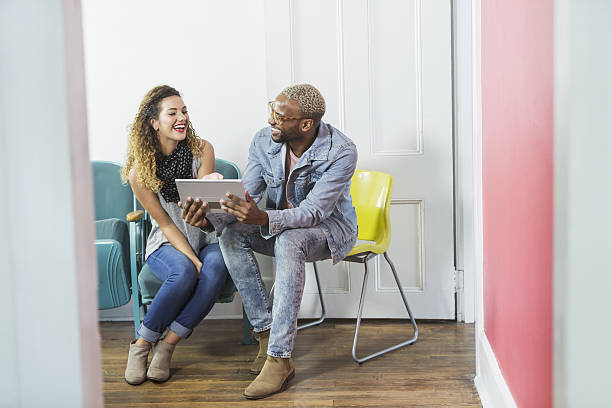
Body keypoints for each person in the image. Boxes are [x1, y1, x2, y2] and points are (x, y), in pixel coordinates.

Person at [181, 83, 358, 399]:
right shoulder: (264, 141)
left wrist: (263, 218)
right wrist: (208, 218)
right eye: (271, 111)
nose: (270, 121)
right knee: (232, 232)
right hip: (283, 227)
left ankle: (280, 358)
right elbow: (243, 197)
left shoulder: (341, 151)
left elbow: (315, 212)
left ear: (305, 124)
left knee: (290, 240)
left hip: (329, 230)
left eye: (279, 116)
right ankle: (264, 334)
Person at [121, 85, 229, 385]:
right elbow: (166, 223)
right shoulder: (139, 172)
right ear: (154, 122)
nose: (181, 117)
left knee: (217, 266)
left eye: (184, 111)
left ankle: (167, 346)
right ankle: (141, 345)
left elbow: (206, 195)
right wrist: (192, 259)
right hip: (167, 241)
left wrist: (212, 182)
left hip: (205, 235)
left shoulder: (202, 149)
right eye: (172, 113)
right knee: (183, 272)